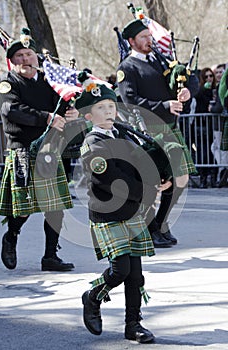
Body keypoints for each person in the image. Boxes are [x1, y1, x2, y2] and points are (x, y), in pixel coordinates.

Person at [75, 71, 172, 343]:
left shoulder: (123, 135)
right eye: (100, 108)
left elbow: (141, 163)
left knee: (135, 275)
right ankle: (92, 296)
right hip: (108, 214)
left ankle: (133, 325)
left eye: (111, 106)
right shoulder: (93, 144)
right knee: (121, 270)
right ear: (88, 116)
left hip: (132, 211)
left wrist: (158, 176)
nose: (108, 111)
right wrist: (148, 190)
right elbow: (112, 181)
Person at [0, 28, 76, 271]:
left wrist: (70, 111)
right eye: (19, 56)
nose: (25, 60)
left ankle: (50, 256)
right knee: (23, 207)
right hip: (22, 150)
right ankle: (11, 236)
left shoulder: (48, 80)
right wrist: (47, 118)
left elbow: (60, 105)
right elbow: (12, 110)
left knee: (55, 208)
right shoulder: (6, 82)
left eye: (28, 54)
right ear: (12, 61)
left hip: (50, 150)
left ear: (36, 57)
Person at [117, 19, 198, 247]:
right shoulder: (128, 68)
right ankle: (149, 227)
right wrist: (164, 105)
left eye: (149, 36)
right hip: (147, 131)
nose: (148, 40)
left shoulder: (162, 60)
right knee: (154, 180)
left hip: (170, 128)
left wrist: (187, 93)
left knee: (180, 179)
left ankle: (161, 223)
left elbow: (189, 76)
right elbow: (129, 101)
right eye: (143, 37)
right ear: (131, 41)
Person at [194, 67, 217, 188]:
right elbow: (196, 96)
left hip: (214, 126)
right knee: (203, 153)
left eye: (211, 76)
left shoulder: (216, 90)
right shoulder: (200, 90)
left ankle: (213, 178)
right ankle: (203, 179)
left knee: (213, 152)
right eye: (206, 76)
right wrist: (204, 89)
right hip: (201, 125)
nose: (209, 78)